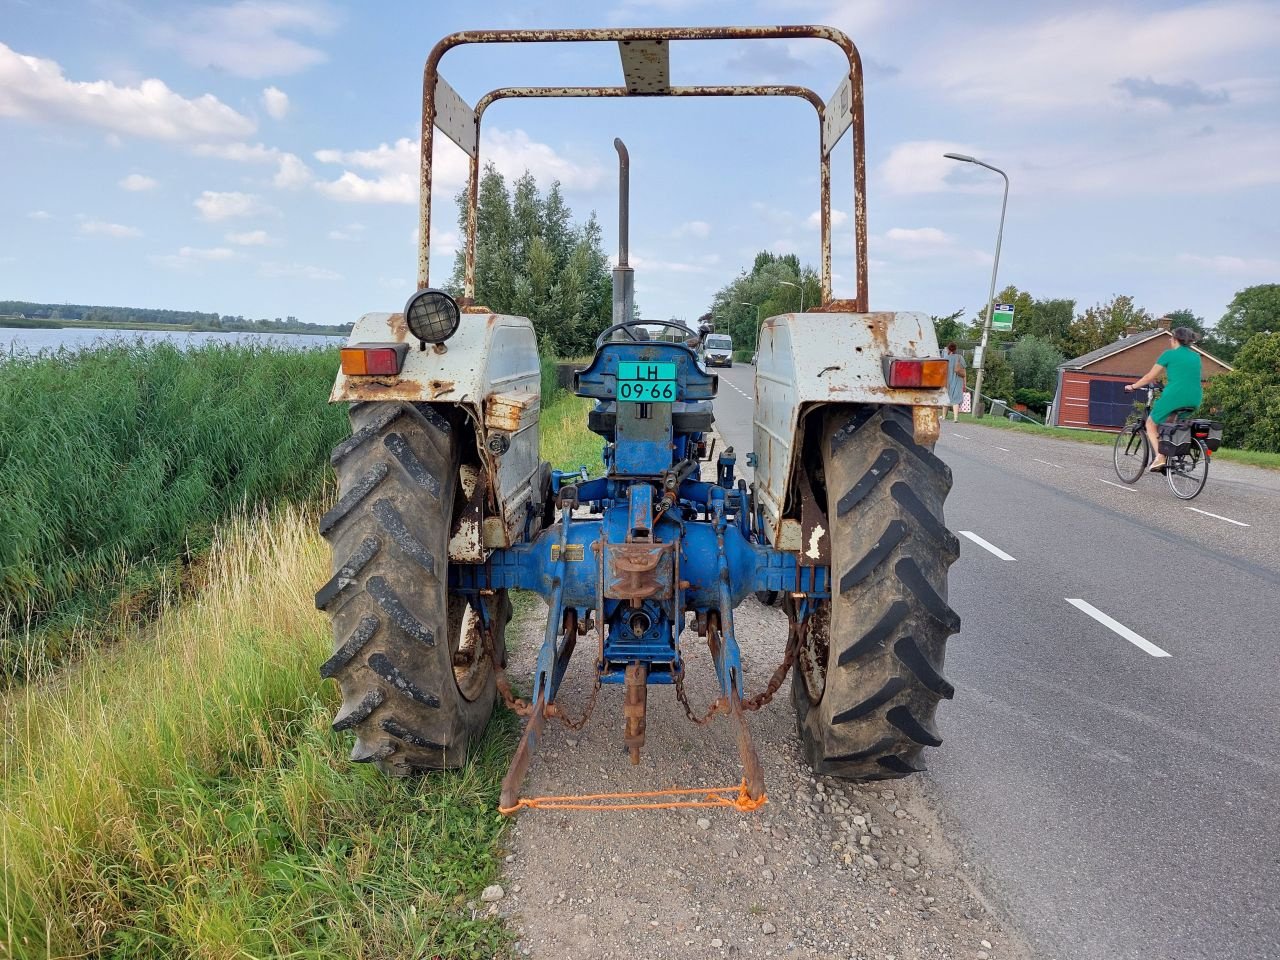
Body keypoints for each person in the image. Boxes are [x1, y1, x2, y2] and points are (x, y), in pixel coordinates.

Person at [1124, 326, 1203, 472]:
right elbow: (1186, 377)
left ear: (1175, 340)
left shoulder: (1168, 354)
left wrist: (1133, 387)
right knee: (1170, 425)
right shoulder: (1196, 357)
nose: (1169, 340)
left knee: (1150, 423)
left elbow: (1149, 377)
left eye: (1171, 337)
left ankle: (1160, 458)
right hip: (1195, 398)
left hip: (1175, 396)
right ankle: (1172, 455)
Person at [944, 343, 967, 422]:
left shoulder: (945, 358)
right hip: (958, 380)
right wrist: (965, 383)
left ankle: (943, 416)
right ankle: (955, 418)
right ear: (955, 349)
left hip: (947, 381)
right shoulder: (960, 358)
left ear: (948, 349)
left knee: (946, 398)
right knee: (956, 400)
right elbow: (964, 371)